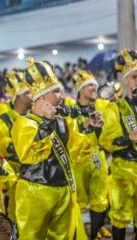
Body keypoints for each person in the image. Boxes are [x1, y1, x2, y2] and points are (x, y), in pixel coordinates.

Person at [12, 58, 94, 240]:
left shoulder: (63, 122)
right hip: (34, 193)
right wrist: (47, 124)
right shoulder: (24, 123)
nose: (62, 96)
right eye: (57, 92)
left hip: (62, 191)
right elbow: (29, 155)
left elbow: (77, 152)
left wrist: (90, 128)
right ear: (42, 96)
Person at [64, 70, 110, 239]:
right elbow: (70, 137)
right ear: (80, 89)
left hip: (98, 158)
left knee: (100, 201)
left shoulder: (102, 108)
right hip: (78, 161)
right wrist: (84, 125)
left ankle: (92, 236)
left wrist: (100, 127)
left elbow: (107, 138)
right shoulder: (70, 111)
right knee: (79, 202)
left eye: (95, 85)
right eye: (90, 85)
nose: (94, 88)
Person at [99, 49, 137, 240]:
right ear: (126, 81)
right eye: (135, 77)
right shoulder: (114, 108)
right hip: (123, 168)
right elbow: (106, 141)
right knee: (120, 216)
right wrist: (127, 137)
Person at [0, 69, 32, 220]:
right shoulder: (5, 119)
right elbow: (0, 144)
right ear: (17, 97)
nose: (33, 96)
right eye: (28, 93)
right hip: (13, 180)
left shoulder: (35, 117)